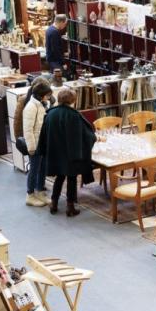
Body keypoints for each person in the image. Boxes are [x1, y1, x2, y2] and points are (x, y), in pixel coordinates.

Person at [37, 88, 97, 217]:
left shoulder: (50, 114)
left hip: (55, 153)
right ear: (72, 100)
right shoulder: (74, 115)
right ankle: (70, 207)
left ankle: (54, 203)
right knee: (71, 178)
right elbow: (87, 135)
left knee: (59, 177)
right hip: (71, 154)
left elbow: (44, 134)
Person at [23, 81, 54, 207]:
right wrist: (31, 147)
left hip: (43, 143)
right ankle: (30, 195)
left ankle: (40, 192)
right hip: (35, 144)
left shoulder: (41, 104)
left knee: (42, 169)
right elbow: (28, 129)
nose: (49, 97)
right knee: (34, 170)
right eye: (47, 95)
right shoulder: (31, 107)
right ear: (41, 95)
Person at [13, 77, 55, 141]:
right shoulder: (24, 100)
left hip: (45, 135)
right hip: (32, 137)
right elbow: (18, 121)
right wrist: (19, 139)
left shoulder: (49, 99)